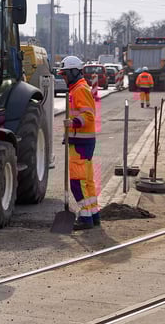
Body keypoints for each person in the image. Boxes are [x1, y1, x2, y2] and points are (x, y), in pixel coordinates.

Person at [59, 56, 99, 230]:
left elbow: (89, 115)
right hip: (82, 140)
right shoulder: (77, 88)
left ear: (74, 72)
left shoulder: (80, 90)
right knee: (87, 181)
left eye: (65, 74)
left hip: (81, 142)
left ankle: (85, 217)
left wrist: (73, 123)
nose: (64, 78)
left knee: (77, 181)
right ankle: (93, 214)